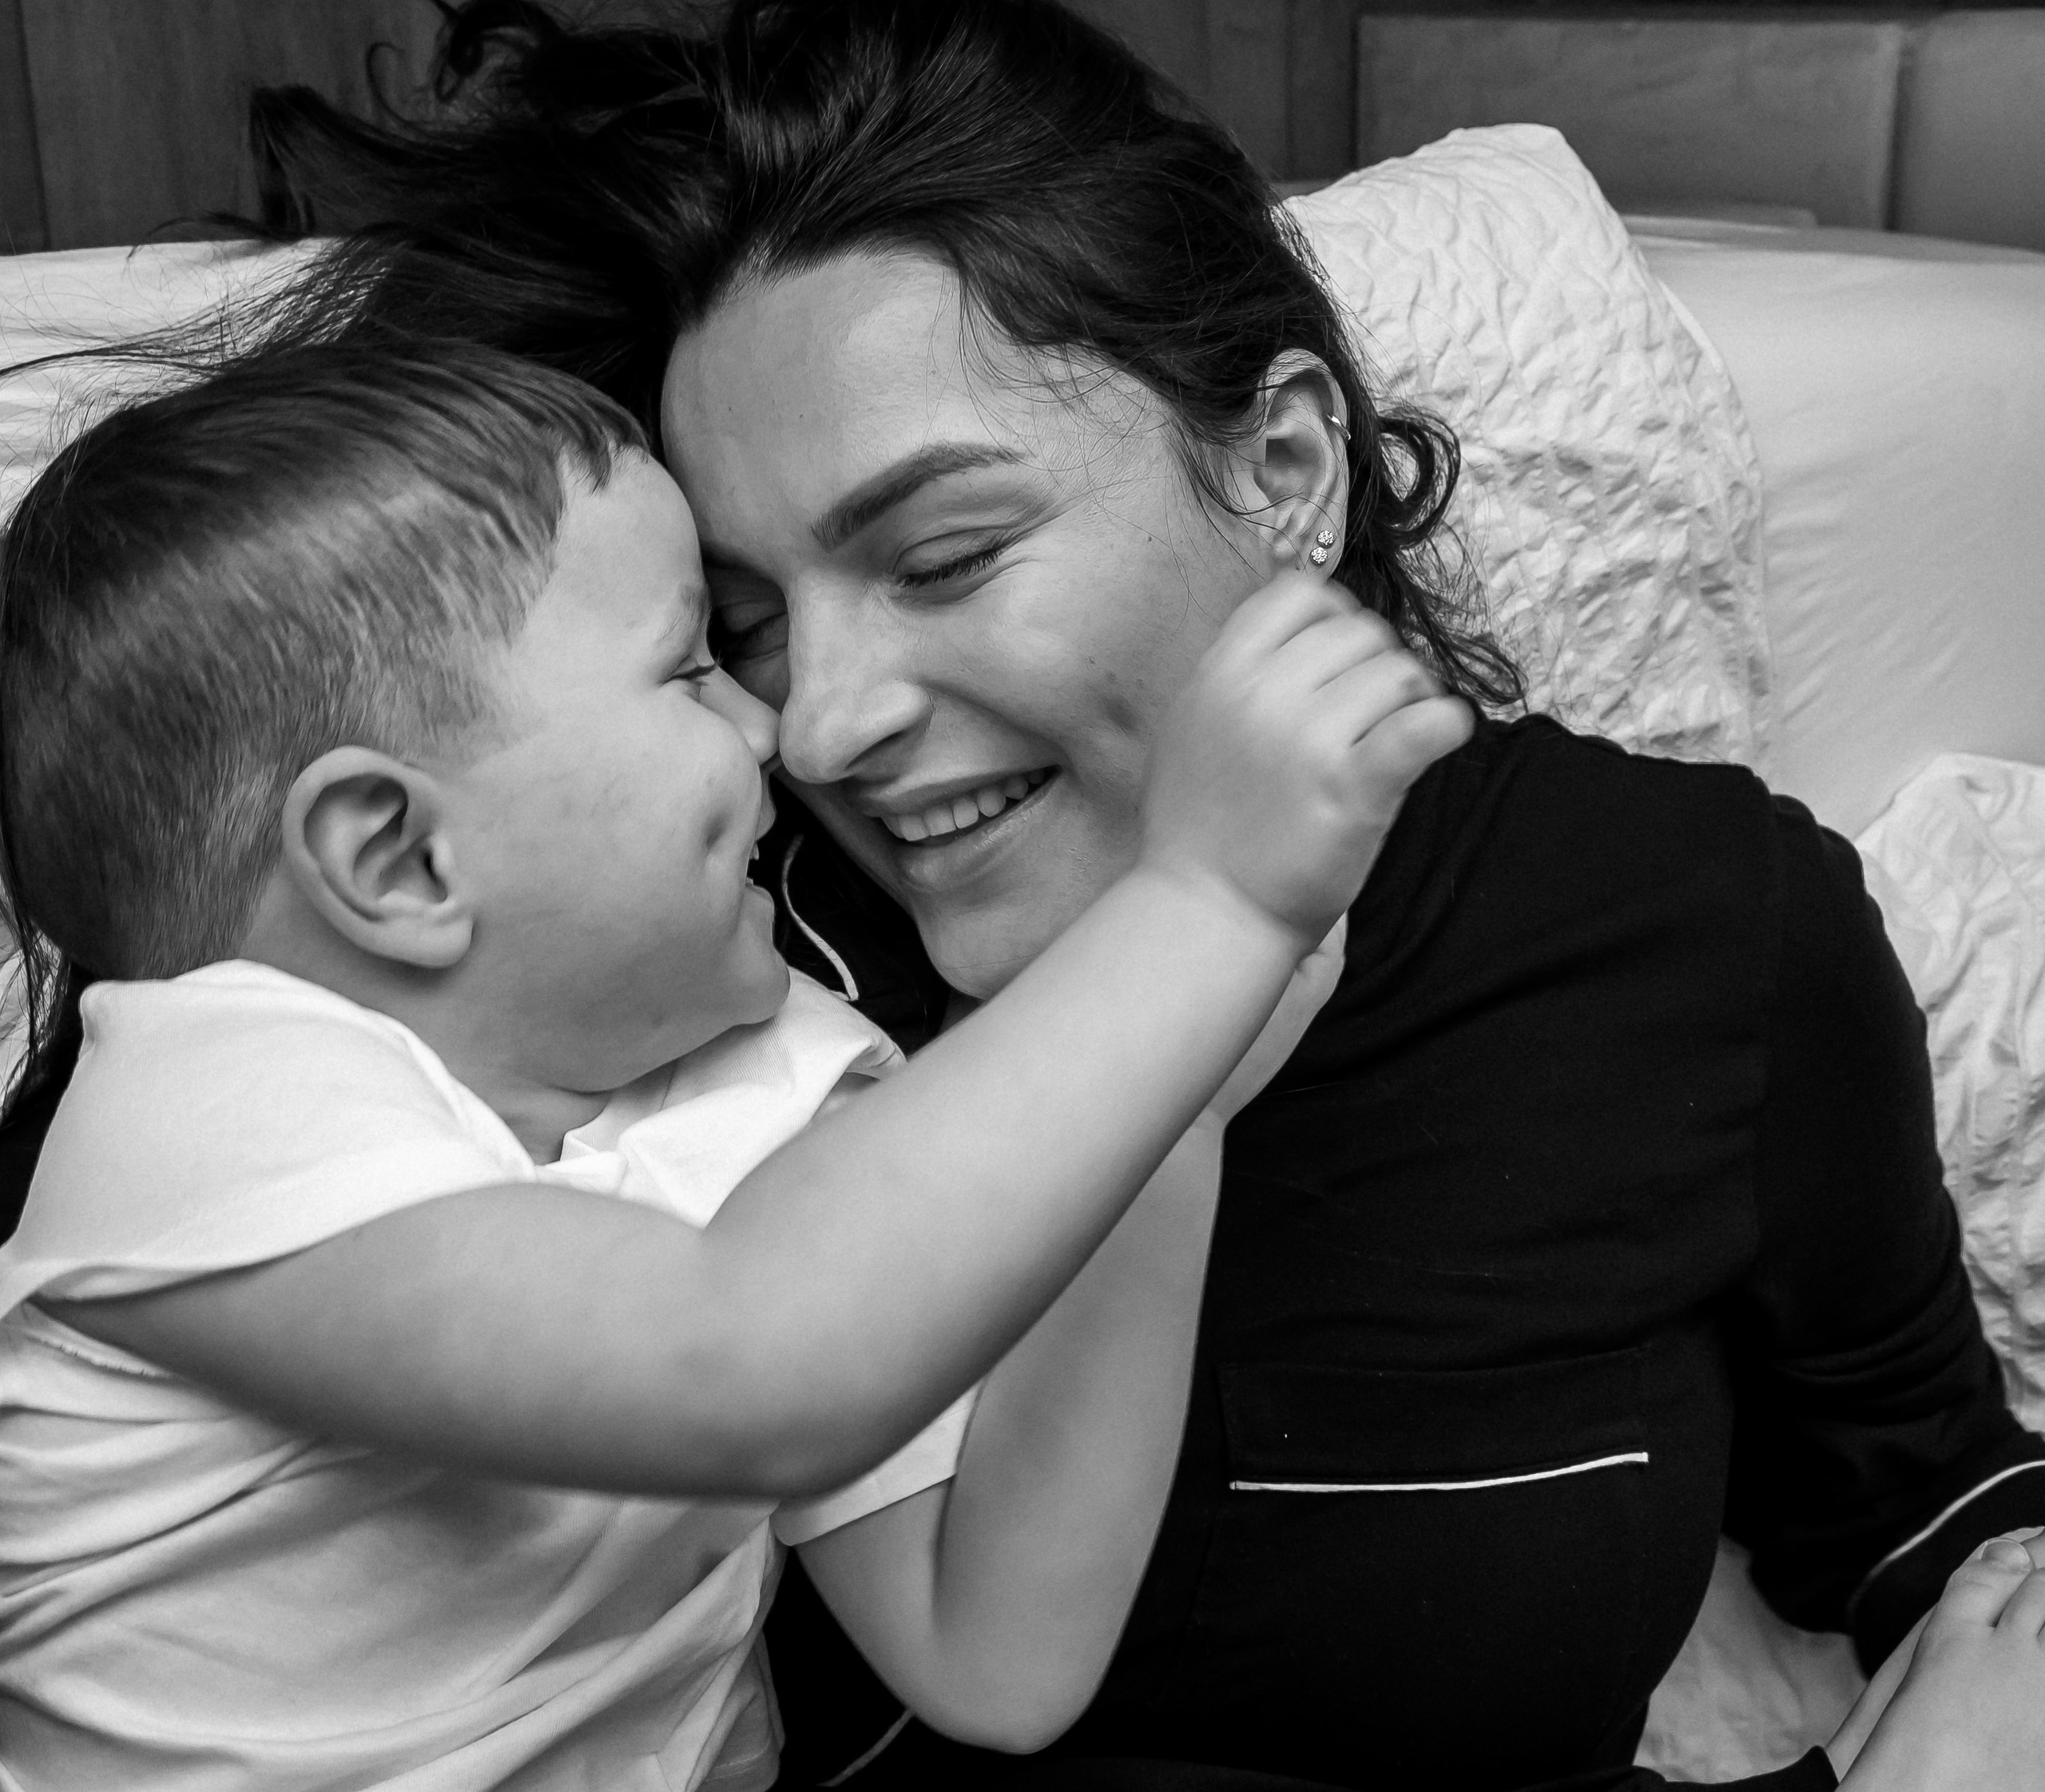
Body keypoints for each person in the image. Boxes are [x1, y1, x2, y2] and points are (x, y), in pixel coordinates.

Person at [212, 0, 2045, 1789]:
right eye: (745, 623)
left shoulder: (1691, 924)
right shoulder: (687, 959)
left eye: (941, 553)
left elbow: (1928, 1498)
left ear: (1282, 464)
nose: (820, 723)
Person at [0, 340, 1467, 1789]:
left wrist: (1171, 1090)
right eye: (690, 665)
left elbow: (995, 1657)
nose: (780, 730)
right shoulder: (204, 1107)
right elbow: (750, 1361)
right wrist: (1207, 903)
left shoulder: (758, 1083)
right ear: (398, 857)